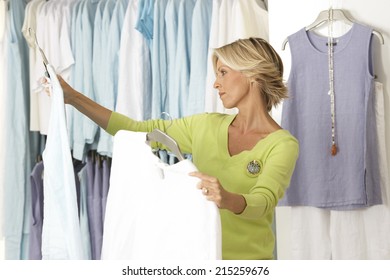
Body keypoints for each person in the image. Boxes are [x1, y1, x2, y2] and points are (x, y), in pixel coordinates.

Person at [59, 37, 299, 260]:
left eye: (223, 73)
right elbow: (135, 129)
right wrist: (72, 97)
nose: (216, 84)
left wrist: (228, 198)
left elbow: (264, 200)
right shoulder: (204, 125)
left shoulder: (282, 145)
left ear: (252, 74)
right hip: (197, 258)